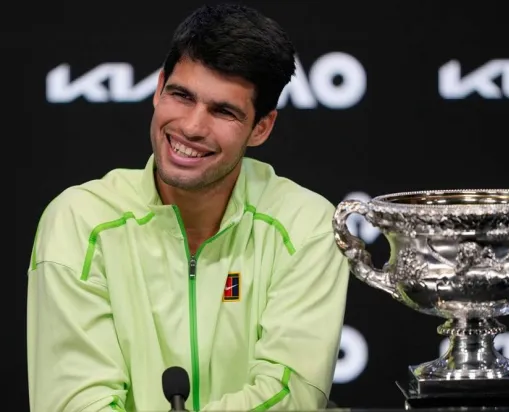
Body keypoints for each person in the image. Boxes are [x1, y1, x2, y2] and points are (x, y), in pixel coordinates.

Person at [26, 4, 350, 412]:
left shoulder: (307, 226)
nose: (192, 127)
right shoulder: (79, 221)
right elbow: (73, 402)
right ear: (159, 88)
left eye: (223, 111)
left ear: (262, 127)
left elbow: (291, 397)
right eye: (181, 96)